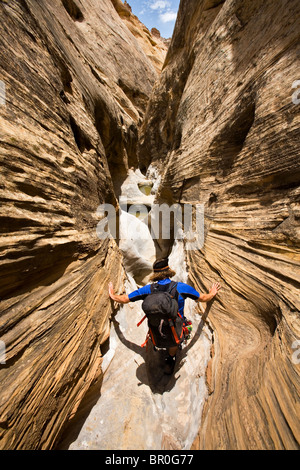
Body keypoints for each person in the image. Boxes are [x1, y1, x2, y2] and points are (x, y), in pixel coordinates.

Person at [108, 258, 221, 374]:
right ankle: (170, 358)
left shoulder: (148, 289)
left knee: (163, 331)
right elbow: (203, 298)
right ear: (168, 271)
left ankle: (164, 350)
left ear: (155, 274)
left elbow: (126, 299)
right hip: (175, 329)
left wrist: (113, 295)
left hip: (156, 329)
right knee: (175, 341)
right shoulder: (181, 287)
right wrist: (212, 292)